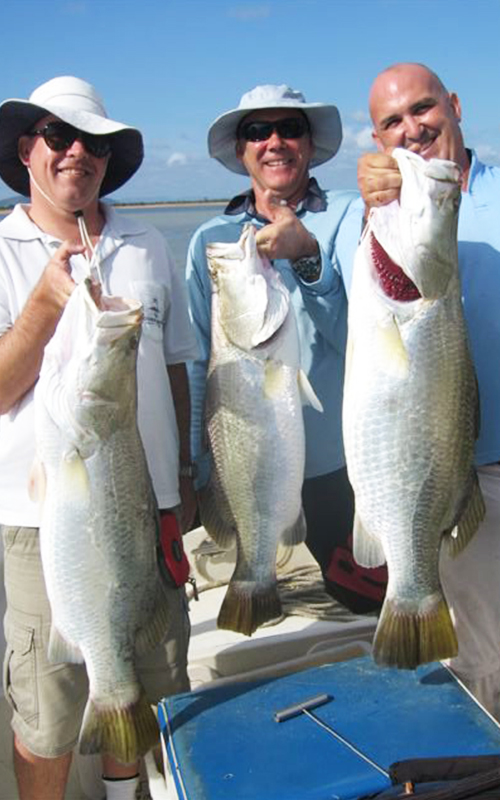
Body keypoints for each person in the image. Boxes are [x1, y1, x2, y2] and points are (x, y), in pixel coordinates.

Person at [0, 76, 198, 800]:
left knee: (140, 679)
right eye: (59, 136)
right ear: (27, 149)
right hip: (40, 523)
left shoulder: (147, 244)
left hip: (151, 508)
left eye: (95, 143)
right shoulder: (2, 249)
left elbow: (175, 363)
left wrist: (186, 473)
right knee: (48, 716)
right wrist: (45, 309)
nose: (77, 153)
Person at [336, 62, 500, 719]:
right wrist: (376, 202)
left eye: (423, 109)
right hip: (456, 473)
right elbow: (319, 284)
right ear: (376, 139)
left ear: (455, 106)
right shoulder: (365, 215)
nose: (412, 129)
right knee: (485, 656)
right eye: (391, 123)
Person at [186, 83, 388, 614]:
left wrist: (308, 258)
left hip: (345, 467)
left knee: (365, 608)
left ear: (309, 142)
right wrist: (196, 468)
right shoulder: (211, 238)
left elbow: (370, 338)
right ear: (241, 149)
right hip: (246, 462)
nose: (274, 141)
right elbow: (196, 360)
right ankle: (253, 587)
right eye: (257, 131)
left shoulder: (350, 217)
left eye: (289, 128)